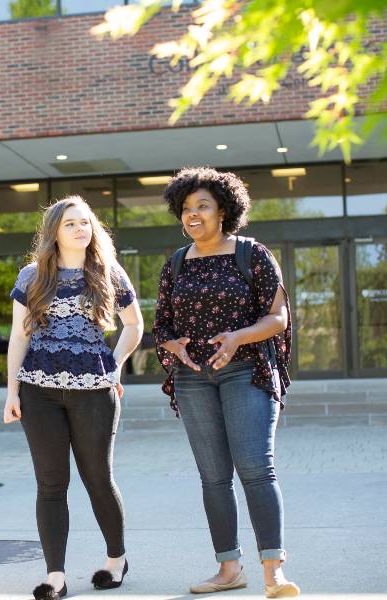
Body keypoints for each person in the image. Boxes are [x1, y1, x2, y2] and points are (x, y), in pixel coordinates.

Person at [152, 167, 299, 598]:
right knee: (214, 476)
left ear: (224, 211)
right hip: (193, 377)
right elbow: (161, 325)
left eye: (202, 206)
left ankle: (274, 573)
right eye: (186, 208)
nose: (192, 215)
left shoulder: (251, 255)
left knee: (256, 468)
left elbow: (277, 318)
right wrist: (173, 345)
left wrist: (237, 337)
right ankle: (229, 569)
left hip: (246, 370)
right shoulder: (176, 263)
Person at [3, 196, 143, 600]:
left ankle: (116, 559)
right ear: (54, 232)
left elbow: (133, 326)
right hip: (38, 391)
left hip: (94, 393)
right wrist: (11, 390)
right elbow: (19, 336)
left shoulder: (109, 273)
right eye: (71, 224)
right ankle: (55, 577)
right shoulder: (32, 276)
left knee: (97, 479)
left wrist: (114, 365)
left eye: (85, 222)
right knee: (50, 484)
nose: (81, 229)